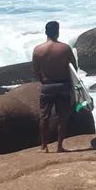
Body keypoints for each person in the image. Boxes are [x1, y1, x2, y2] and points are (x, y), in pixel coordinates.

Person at [32, 21, 76, 153]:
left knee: (44, 116)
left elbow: (35, 70)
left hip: (47, 85)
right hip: (63, 85)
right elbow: (74, 67)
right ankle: (59, 146)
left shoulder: (38, 50)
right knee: (62, 117)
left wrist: (43, 81)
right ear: (58, 31)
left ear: (46, 32)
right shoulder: (65, 48)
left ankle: (44, 146)